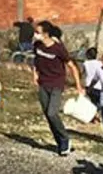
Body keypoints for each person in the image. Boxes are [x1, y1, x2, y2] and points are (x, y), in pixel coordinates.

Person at [33, 21, 82, 156]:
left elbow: (72, 66)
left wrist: (79, 86)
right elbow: (35, 61)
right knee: (47, 115)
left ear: (46, 34)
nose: (35, 35)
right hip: (43, 83)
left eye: (38, 32)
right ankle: (60, 142)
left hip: (56, 84)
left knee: (52, 113)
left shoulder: (58, 49)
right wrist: (35, 74)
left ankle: (65, 138)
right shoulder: (37, 45)